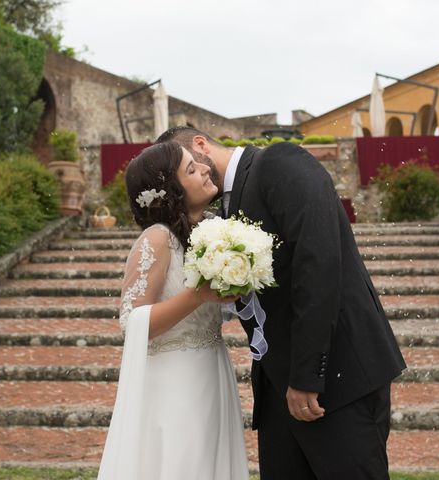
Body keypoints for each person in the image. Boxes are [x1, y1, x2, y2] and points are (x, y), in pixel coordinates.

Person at [157, 126, 407, 480]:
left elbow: (318, 260)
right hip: (278, 388)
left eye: (178, 170)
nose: (178, 188)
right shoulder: (220, 213)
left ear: (200, 146)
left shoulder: (279, 162)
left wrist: (307, 375)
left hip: (336, 377)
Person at [96, 141, 249, 480]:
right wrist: (197, 296)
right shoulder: (157, 238)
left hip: (212, 369)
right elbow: (132, 320)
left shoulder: (210, 232)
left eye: (199, 163)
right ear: (170, 191)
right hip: (174, 382)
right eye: (191, 169)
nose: (205, 168)